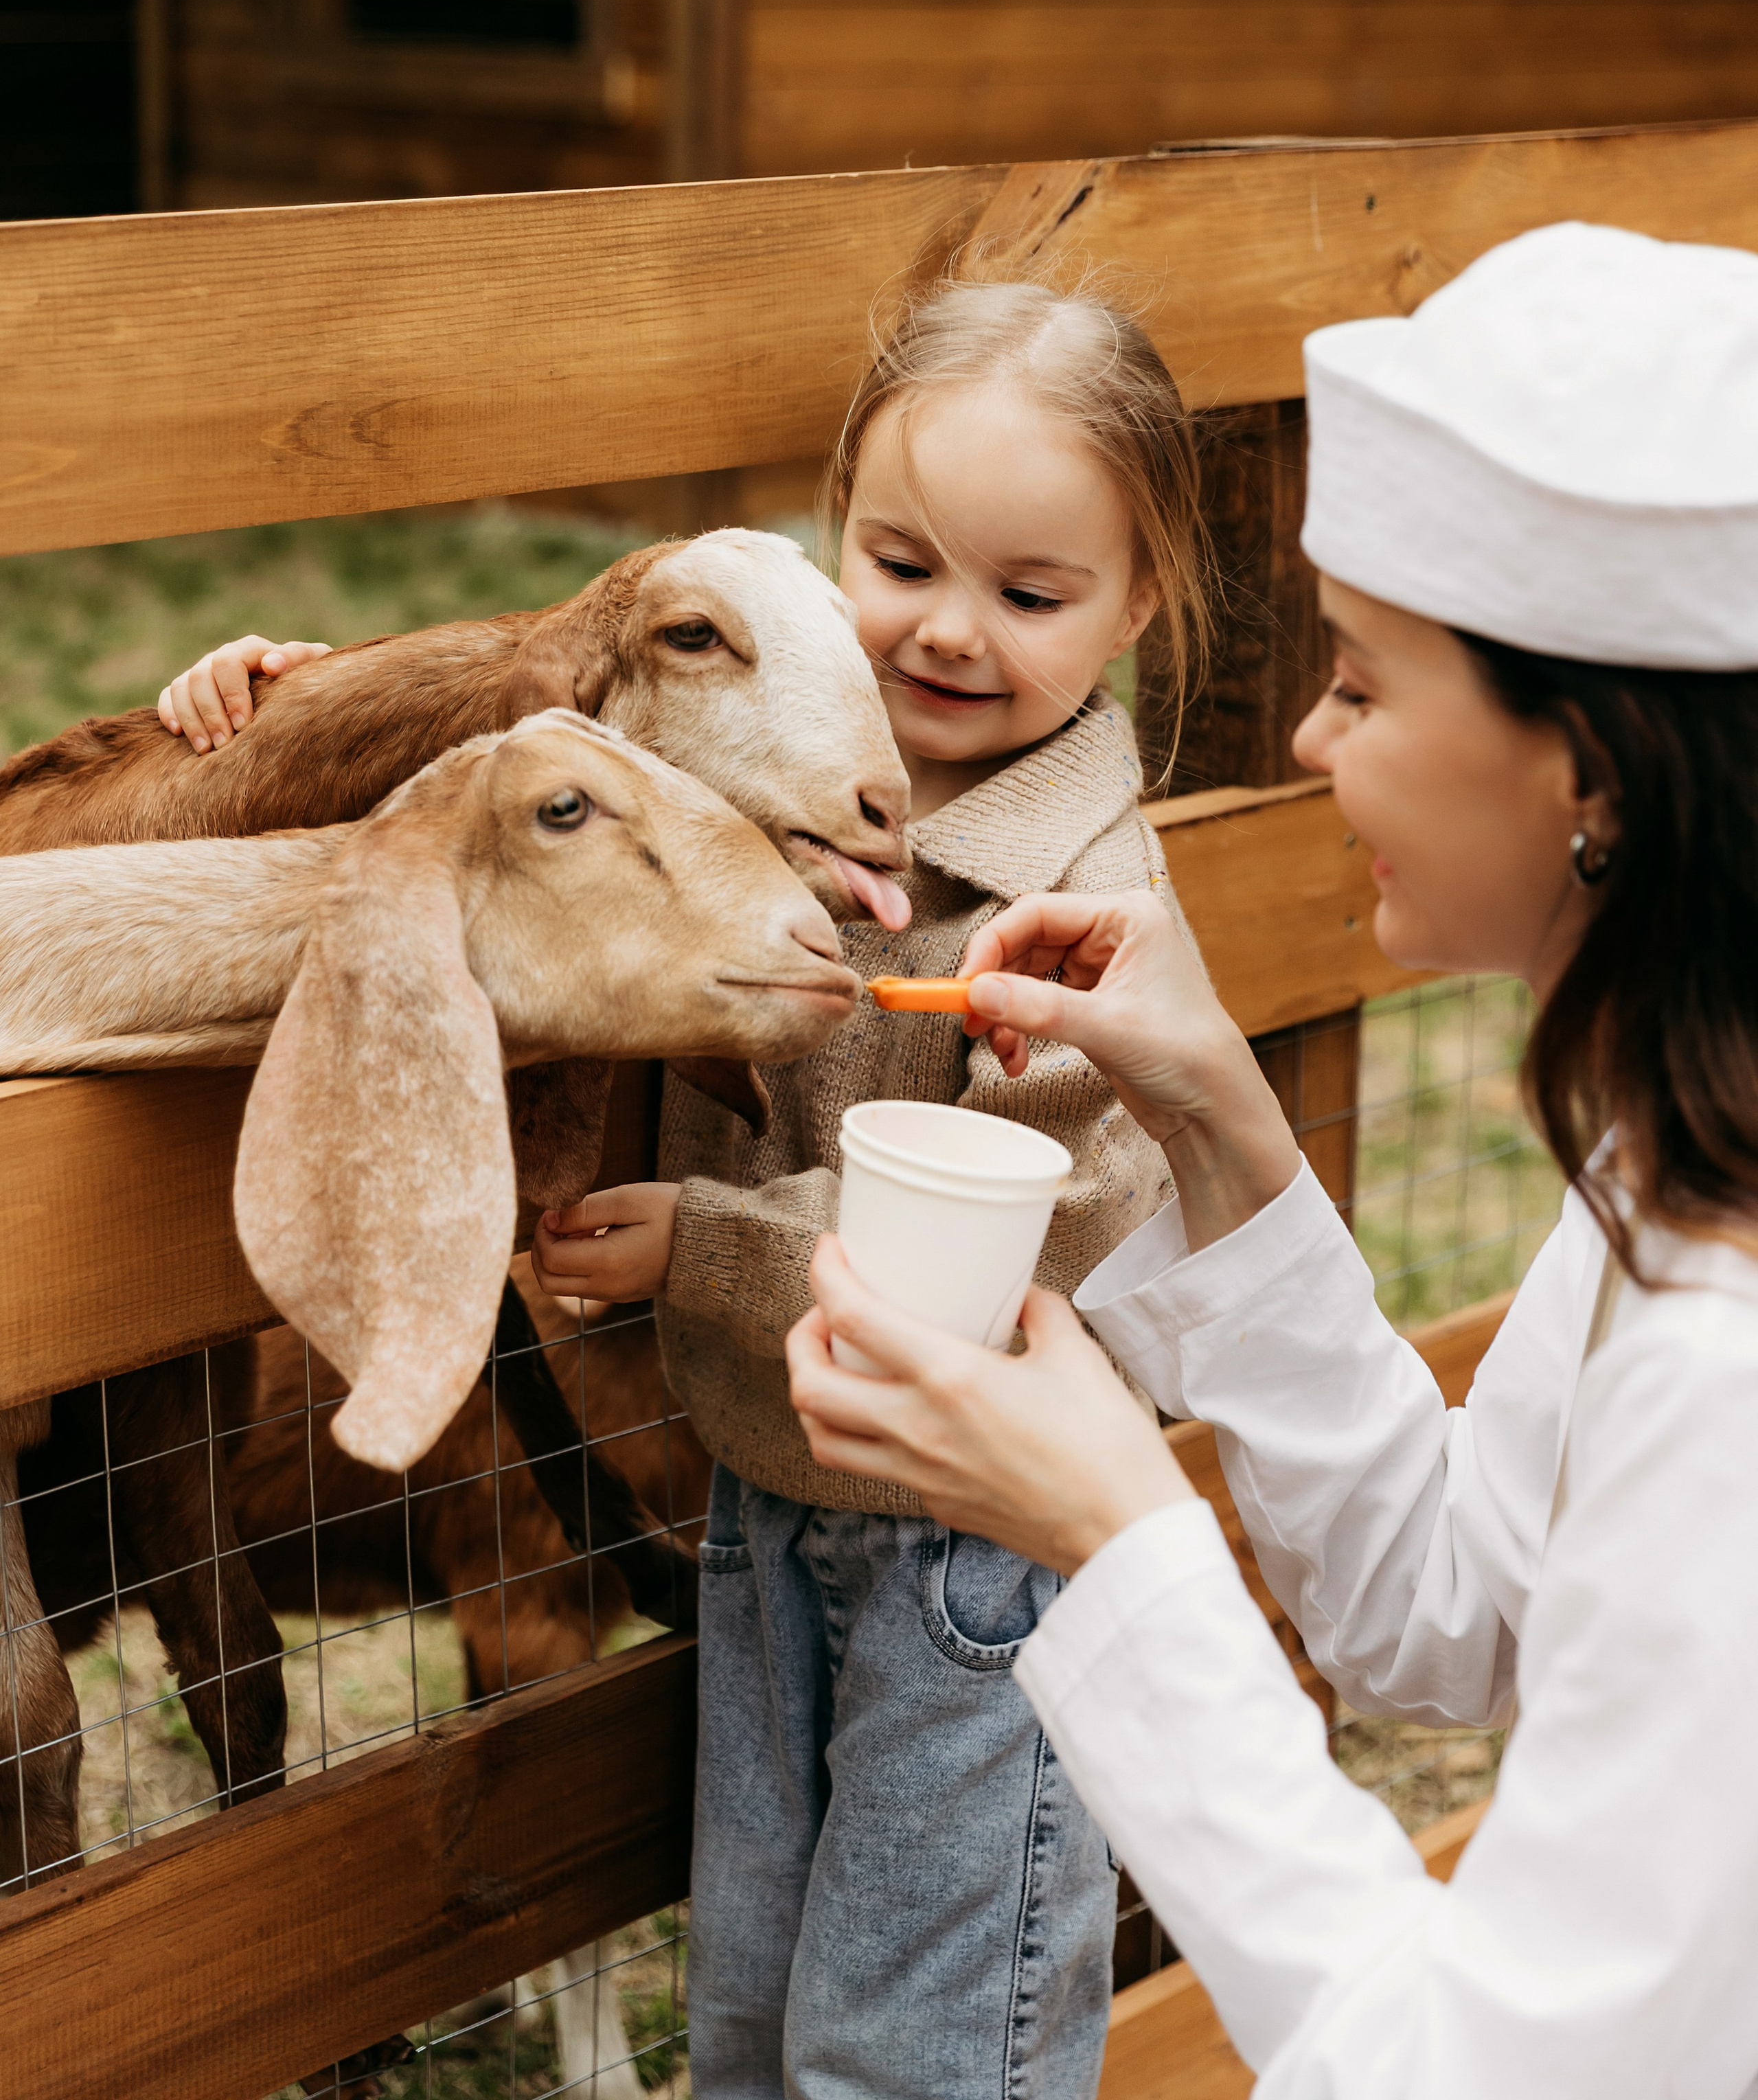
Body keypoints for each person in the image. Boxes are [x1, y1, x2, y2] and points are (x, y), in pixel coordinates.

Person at [158, 275, 1213, 2100]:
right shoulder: (744, 786)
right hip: (765, 1505)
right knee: (753, 2000)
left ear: (1140, 604)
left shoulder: (1089, 897)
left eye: (1029, 597)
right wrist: (290, 704)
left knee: (915, 2035)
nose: (944, 633)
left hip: (983, 1544)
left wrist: (703, 1247)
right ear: (830, 545)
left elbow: (1038, 1230)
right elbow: (519, 769)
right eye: (899, 565)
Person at [786, 220, 1758, 2099]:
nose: (1309, 735)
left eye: (1367, 687)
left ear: (1593, 768)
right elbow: (1446, 1614)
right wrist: (1219, 1122)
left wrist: (1114, 1533)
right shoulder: (1678, 1152)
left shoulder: (1727, 1360)